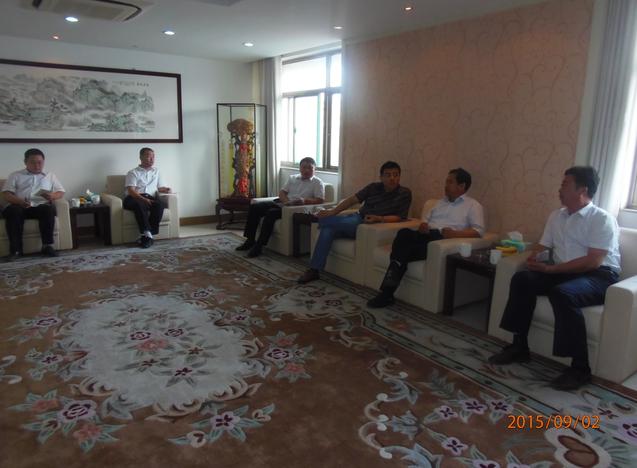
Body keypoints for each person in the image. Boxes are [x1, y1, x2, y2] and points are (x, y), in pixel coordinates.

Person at [489, 166, 621, 391]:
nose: (560, 189)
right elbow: (543, 246)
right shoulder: (556, 216)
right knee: (522, 279)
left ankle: (580, 369)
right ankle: (519, 347)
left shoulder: (601, 219)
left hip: (599, 276)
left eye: (565, 185)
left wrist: (552, 270)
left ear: (582, 190)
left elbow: (593, 261)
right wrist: (534, 258)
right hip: (565, 271)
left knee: (564, 294)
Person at [367, 168, 485, 308]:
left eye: (450, 182)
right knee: (404, 233)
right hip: (424, 235)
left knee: (401, 253)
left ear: (462, 186)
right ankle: (390, 285)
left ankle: (386, 294)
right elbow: (425, 220)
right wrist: (423, 225)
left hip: (440, 240)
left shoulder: (473, 205)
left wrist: (454, 234)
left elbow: (478, 231)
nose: (445, 185)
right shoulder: (440, 202)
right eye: (446, 181)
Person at [297, 161, 412, 284]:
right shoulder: (373, 187)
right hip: (356, 218)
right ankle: (314, 270)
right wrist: (333, 212)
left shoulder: (404, 193)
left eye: (395, 175)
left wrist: (379, 218)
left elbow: (399, 217)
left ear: (399, 176)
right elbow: (352, 200)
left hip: (370, 225)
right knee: (327, 230)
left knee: (331, 224)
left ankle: (316, 219)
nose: (392, 178)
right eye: (388, 175)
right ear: (381, 177)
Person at [236, 157, 325, 258]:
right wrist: (286, 202)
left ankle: (259, 246)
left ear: (314, 169)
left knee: (271, 213)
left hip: (295, 209)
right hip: (283, 203)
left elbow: (320, 200)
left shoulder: (317, 182)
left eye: (310, 168)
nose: (307, 170)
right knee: (255, 207)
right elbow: (282, 192)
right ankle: (250, 240)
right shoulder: (293, 178)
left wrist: (304, 201)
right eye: (304, 167)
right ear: (300, 168)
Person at [2, 148, 65, 261]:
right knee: (14, 211)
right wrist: (20, 201)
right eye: (33, 162)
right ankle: (15, 250)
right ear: (25, 162)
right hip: (19, 206)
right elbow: (6, 194)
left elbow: (61, 192)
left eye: (40, 162)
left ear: (43, 162)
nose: (37, 166)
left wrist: (52, 196)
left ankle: (47, 246)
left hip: (39, 207)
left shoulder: (49, 175)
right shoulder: (15, 175)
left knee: (48, 209)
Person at [123, 147, 171, 248]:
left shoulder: (156, 171)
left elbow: (159, 188)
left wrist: (166, 189)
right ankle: (147, 234)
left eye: (153, 156)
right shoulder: (133, 172)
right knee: (139, 204)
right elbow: (131, 191)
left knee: (159, 205)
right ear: (141, 157)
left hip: (149, 197)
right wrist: (144, 199)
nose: (152, 159)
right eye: (149, 156)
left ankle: (147, 235)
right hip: (133, 198)